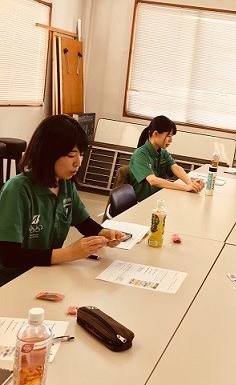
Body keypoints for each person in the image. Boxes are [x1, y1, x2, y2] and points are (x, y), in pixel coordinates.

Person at [0, 115, 126, 287]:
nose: (78, 162)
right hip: (13, 282)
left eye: (81, 154)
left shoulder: (65, 185)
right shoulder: (18, 190)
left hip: (45, 272)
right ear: (47, 153)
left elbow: (83, 222)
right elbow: (9, 256)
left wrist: (104, 233)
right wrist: (69, 253)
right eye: (70, 155)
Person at [129, 115, 203, 202]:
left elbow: (176, 168)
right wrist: (185, 187)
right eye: (169, 136)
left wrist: (191, 184)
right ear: (155, 134)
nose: (171, 140)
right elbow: (152, 180)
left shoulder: (163, 152)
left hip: (158, 198)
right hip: (142, 202)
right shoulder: (140, 154)